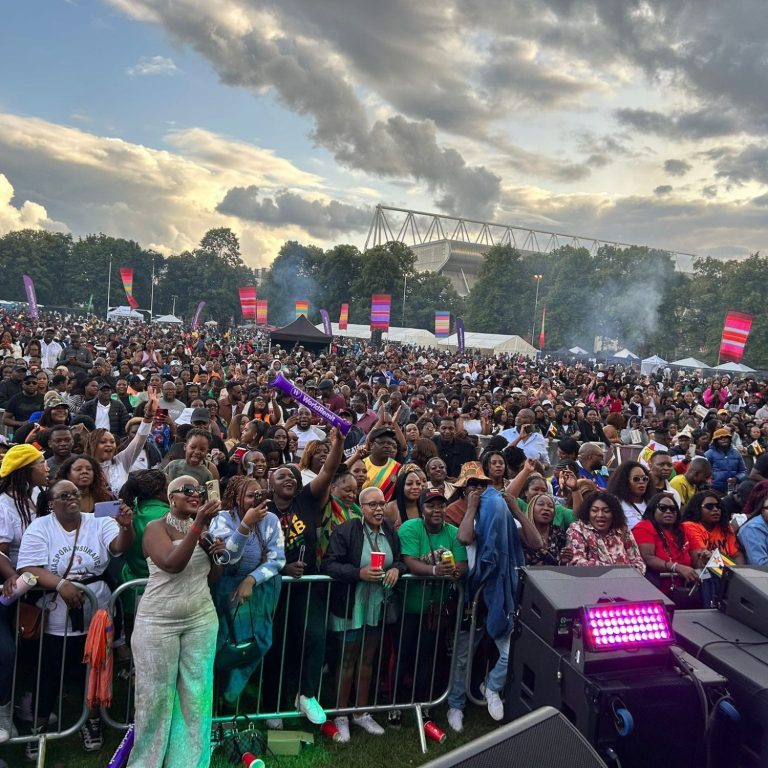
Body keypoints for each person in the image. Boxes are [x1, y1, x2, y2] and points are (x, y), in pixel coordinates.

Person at [17, 478, 135, 758]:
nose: (71, 498)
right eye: (64, 495)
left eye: (74, 493)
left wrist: (126, 527)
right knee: (48, 673)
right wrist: (60, 584)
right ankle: (38, 728)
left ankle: (92, 721)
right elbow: (28, 566)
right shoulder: (40, 527)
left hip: (97, 612)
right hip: (56, 617)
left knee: (93, 669)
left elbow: (119, 546)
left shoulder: (98, 521)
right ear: (51, 503)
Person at [128, 476, 223, 768]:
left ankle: (188, 762)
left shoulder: (203, 530)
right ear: (171, 497)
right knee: (155, 696)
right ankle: (146, 763)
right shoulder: (155, 528)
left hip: (201, 617)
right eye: (187, 490)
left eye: (199, 490)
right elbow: (171, 564)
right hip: (158, 621)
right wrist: (198, 526)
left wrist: (216, 555)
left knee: (197, 694)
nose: (195, 494)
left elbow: (211, 578)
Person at [261, 428, 343, 728]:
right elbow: (253, 550)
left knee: (315, 636)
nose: (289, 479)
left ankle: (306, 694)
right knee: (277, 647)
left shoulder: (306, 501)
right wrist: (282, 569)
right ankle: (272, 706)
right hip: (274, 588)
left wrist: (338, 443)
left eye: (293, 476)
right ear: (270, 484)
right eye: (282, 475)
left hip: (307, 585)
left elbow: (328, 471)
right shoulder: (262, 510)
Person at [321, 486, 405, 741]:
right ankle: (341, 715)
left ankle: (361, 712)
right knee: (347, 660)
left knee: (368, 659)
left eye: (381, 504)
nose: (378, 509)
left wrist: (396, 569)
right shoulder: (347, 530)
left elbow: (399, 558)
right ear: (361, 508)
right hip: (351, 605)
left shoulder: (389, 529)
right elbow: (329, 564)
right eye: (372, 505)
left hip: (377, 605)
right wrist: (358, 573)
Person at [394, 488, 468, 729]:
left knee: (429, 658)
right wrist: (435, 571)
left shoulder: (453, 531)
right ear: (422, 508)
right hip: (409, 606)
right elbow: (409, 561)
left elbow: (462, 563)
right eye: (431, 506)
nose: (437, 510)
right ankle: (395, 705)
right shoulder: (410, 528)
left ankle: (423, 705)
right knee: (402, 656)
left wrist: (455, 571)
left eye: (441, 505)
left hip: (436, 609)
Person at [209, 476, 284, 704]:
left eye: (260, 494)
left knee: (256, 642)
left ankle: (232, 695)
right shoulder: (222, 519)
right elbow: (228, 557)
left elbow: (277, 559)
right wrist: (245, 525)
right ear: (236, 498)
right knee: (225, 643)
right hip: (226, 592)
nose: (256, 500)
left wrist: (251, 580)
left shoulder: (271, 520)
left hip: (259, 592)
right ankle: (216, 698)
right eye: (251, 495)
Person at [0, 445, 49, 743]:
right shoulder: (4, 505)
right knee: (8, 651)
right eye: (41, 463)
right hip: (14, 590)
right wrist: (13, 577)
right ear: (25, 470)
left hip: (37, 584)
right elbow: (0, 551)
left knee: (34, 648)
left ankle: (25, 704)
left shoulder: (36, 496)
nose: (47, 467)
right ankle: (4, 713)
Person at [84, 386, 158, 495]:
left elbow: (139, 439)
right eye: (103, 442)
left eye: (112, 442)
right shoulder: (84, 467)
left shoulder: (121, 461)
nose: (109, 445)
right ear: (92, 445)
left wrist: (149, 416)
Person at [633, 493, 699, 606]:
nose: (668, 511)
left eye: (673, 509)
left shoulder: (683, 529)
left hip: (685, 590)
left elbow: (696, 559)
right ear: (653, 510)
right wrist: (676, 567)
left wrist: (703, 559)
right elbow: (648, 558)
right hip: (657, 589)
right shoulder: (644, 527)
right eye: (663, 508)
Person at [566, 492, 645, 573]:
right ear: (588, 512)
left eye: (606, 511)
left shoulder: (622, 529)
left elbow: (639, 563)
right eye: (594, 510)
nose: (600, 515)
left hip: (626, 579)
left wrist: (627, 574)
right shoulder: (578, 529)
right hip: (593, 580)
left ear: (614, 513)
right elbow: (577, 562)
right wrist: (616, 570)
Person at [683, 491, 745, 568]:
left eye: (718, 506)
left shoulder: (725, 527)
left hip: (729, 572)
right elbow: (700, 561)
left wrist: (738, 571)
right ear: (697, 509)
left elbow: (737, 554)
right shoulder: (690, 526)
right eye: (709, 506)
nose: (715, 509)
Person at [523, 492, 571, 565]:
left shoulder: (559, 533)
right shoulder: (522, 532)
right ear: (531, 508)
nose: (546, 508)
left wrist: (564, 560)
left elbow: (560, 565)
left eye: (551, 506)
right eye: (541, 504)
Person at [606, 460, 652, 529]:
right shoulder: (616, 503)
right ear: (625, 481)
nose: (641, 482)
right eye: (636, 479)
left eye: (644, 478)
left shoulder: (651, 503)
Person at [363, 427, 402, 502]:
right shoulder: (361, 466)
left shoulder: (398, 467)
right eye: (382, 443)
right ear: (371, 445)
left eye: (389, 443)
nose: (387, 446)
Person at [706, 427, 748, 493]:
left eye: (726, 437)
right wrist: (710, 482)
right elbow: (704, 472)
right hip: (714, 489)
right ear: (715, 441)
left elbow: (743, 471)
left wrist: (736, 478)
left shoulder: (736, 453)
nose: (724, 439)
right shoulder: (709, 454)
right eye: (720, 438)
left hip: (732, 490)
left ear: (730, 439)